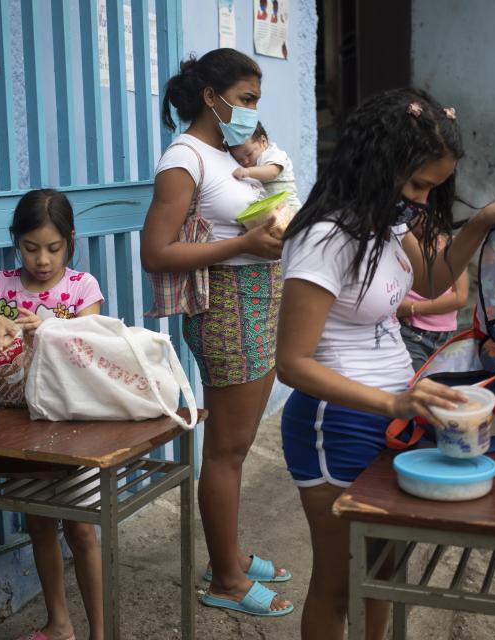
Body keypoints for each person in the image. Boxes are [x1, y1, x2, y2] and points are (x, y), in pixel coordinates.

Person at [275, 88, 495, 639]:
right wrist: (392, 400)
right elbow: (291, 364)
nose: (421, 199)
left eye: (433, 189)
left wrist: (480, 224)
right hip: (335, 422)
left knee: (384, 570)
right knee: (339, 582)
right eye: (416, 184)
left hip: (390, 415)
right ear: (377, 163)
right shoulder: (325, 238)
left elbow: (436, 280)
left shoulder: (387, 226)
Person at [140, 48, 293, 617]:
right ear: (212, 97)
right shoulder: (183, 159)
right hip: (227, 307)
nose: (252, 111)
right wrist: (245, 244)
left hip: (261, 299)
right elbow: (156, 253)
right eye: (246, 99)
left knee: (239, 444)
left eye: (256, 101)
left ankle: (226, 554)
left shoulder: (229, 150)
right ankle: (226, 579)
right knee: (226, 451)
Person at [0, 189, 105, 640]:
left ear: (70, 241)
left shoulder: (82, 287)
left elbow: (93, 348)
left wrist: (52, 327)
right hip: (18, 426)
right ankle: (59, 625)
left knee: (82, 529)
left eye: (54, 248)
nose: (42, 260)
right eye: (31, 248)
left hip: (72, 423)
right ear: (15, 242)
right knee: (39, 523)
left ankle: (98, 633)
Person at [397, 232, 470, 371]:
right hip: (410, 332)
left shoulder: (451, 244)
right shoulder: (400, 243)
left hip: (446, 337)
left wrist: (412, 307)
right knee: (418, 383)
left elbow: (460, 297)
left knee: (441, 384)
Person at [229, 122, 303, 213]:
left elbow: (273, 172)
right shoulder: (253, 163)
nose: (245, 162)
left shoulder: (273, 154)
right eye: (239, 160)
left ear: (263, 142)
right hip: (274, 212)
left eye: (249, 154)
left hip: (290, 209)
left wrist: (247, 172)